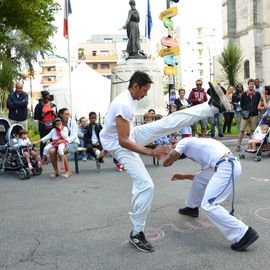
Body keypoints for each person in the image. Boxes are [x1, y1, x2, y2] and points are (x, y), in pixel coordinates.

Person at [99, 70, 231, 253]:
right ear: (135, 86)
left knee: (168, 122)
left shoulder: (127, 99)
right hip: (121, 147)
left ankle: (213, 107)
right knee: (146, 186)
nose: (145, 94)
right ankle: (136, 233)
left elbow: (111, 129)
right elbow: (122, 141)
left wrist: (103, 148)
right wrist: (151, 151)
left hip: (126, 137)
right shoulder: (123, 103)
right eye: (144, 90)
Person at [163, 137, 259, 251]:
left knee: (209, 205)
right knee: (199, 179)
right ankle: (191, 207)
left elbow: (168, 161)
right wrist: (183, 176)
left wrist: (166, 156)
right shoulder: (201, 149)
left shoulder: (185, 141)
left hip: (227, 166)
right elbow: (203, 176)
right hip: (223, 165)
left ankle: (244, 232)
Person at [48, 108, 79, 178]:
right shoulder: (58, 122)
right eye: (66, 114)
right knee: (51, 151)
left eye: (68, 114)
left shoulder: (72, 122)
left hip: (73, 143)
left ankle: (68, 171)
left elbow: (74, 136)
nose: (68, 116)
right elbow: (54, 134)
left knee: (61, 151)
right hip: (60, 143)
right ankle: (56, 172)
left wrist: (64, 141)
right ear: (61, 115)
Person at [236, 79, 261, 152]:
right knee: (241, 130)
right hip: (245, 115)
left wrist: (256, 110)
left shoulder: (257, 94)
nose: (252, 85)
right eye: (250, 84)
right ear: (248, 85)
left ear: (254, 85)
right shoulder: (244, 94)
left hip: (254, 115)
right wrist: (244, 111)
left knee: (253, 131)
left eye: (253, 84)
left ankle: (252, 146)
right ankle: (238, 145)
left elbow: (259, 103)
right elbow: (241, 104)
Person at [34, 90, 57, 157]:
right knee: (43, 141)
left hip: (52, 125)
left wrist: (54, 114)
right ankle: (43, 157)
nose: (46, 100)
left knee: (53, 140)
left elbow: (57, 115)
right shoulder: (39, 105)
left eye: (48, 98)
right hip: (43, 125)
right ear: (43, 97)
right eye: (45, 98)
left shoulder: (53, 105)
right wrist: (43, 115)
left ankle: (54, 155)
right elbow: (35, 117)